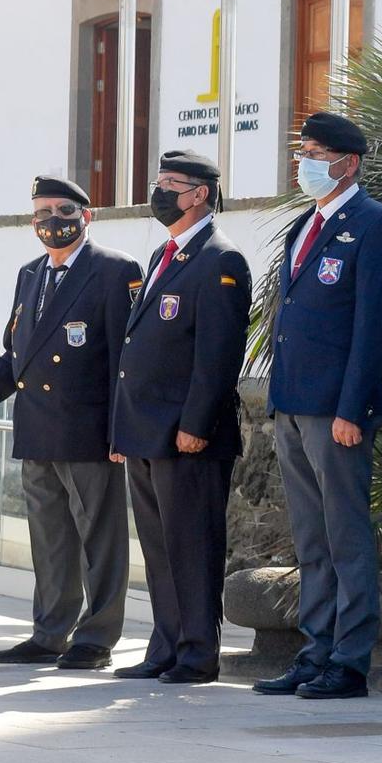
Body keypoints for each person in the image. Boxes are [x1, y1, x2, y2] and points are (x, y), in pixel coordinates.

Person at [255, 112, 382, 702]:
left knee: (345, 533)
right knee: (310, 537)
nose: (305, 162)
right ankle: (314, 650)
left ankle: (349, 659)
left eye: (316, 152)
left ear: (349, 162)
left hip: (337, 409)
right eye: (303, 151)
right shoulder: (307, 226)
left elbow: (374, 325)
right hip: (294, 402)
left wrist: (351, 406)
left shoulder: (375, 223)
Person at [110, 150, 252, 685]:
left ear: (199, 193)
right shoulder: (165, 256)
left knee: (192, 546)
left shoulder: (220, 260)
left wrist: (196, 424)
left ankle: (196, 652)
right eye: (159, 181)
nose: (160, 191)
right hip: (147, 430)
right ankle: (165, 645)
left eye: (171, 183)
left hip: (187, 435)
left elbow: (217, 356)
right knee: (160, 548)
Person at [0, 176, 141, 671]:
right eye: (41, 212)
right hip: (36, 428)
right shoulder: (30, 274)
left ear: (87, 215)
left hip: (87, 428)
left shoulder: (114, 270)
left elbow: (124, 360)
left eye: (62, 210)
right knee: (50, 539)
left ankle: (96, 637)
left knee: (99, 539)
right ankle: (50, 631)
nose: (51, 221)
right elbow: (16, 355)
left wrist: (121, 430)